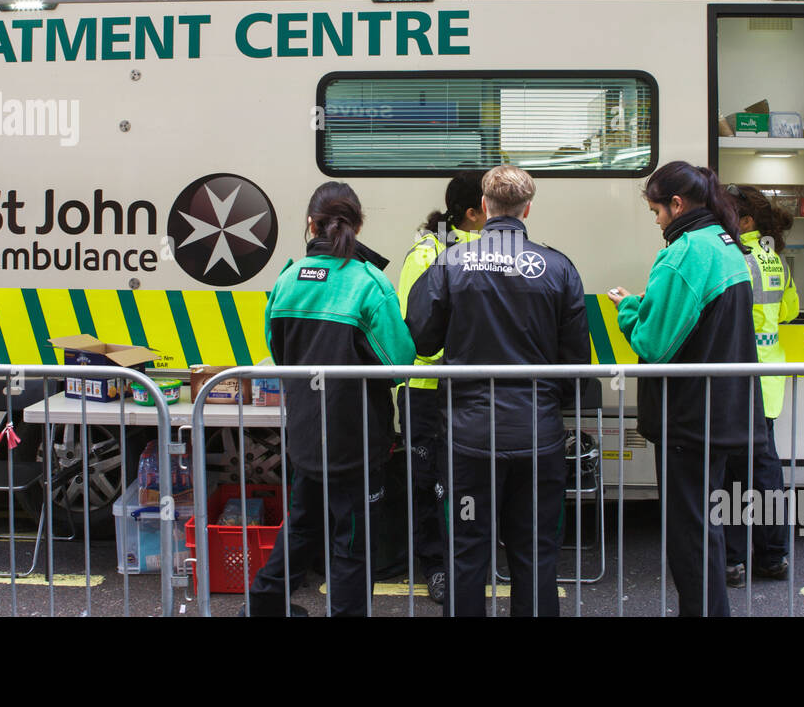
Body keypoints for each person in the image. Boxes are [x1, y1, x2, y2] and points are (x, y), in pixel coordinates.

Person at [405, 164, 590, 617]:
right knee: (535, 553)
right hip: (538, 434)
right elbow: (575, 361)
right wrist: (552, 408)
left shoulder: (450, 262)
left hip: (469, 441)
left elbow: (422, 339)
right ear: (527, 208)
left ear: (485, 206)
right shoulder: (558, 267)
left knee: (467, 552)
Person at [245, 182, 415, 617]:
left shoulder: (287, 280)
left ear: (310, 223)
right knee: (352, 541)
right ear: (358, 224)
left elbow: (279, 354)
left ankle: (263, 605)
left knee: (302, 524)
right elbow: (399, 359)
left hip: (304, 431)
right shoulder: (368, 283)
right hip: (356, 438)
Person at [609, 161, 764, 618]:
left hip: (688, 415)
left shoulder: (685, 253)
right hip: (719, 410)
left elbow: (655, 343)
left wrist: (629, 309)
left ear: (676, 205)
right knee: (704, 526)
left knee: (688, 533)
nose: (656, 220)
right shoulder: (725, 243)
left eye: (656, 210)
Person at [395, 170, 487, 606]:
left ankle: (466, 561)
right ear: (473, 211)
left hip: (469, 388)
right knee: (428, 482)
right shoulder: (428, 250)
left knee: (470, 481)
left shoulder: (492, 246)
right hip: (430, 388)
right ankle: (437, 567)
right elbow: (414, 330)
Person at [722, 184, 800, 587]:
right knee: (765, 470)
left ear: (746, 221)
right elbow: (789, 311)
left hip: (740, 378)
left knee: (734, 473)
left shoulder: (735, 258)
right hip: (769, 377)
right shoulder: (775, 260)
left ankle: (733, 561)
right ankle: (773, 557)